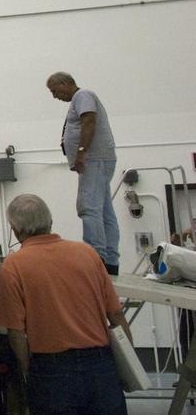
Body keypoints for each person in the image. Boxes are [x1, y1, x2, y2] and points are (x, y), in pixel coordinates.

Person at [0, 194, 138, 415]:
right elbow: (115, 316)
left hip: (51, 375)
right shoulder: (86, 254)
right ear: (50, 221)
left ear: (15, 229)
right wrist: (128, 363)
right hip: (101, 370)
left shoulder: (14, 266)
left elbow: (16, 333)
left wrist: (29, 369)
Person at [46, 72, 120, 274]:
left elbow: (89, 121)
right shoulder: (81, 98)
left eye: (55, 90)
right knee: (104, 211)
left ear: (65, 83)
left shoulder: (83, 95)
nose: (54, 96)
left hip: (93, 160)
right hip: (99, 160)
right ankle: (110, 259)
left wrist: (81, 152)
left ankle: (95, 257)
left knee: (89, 208)